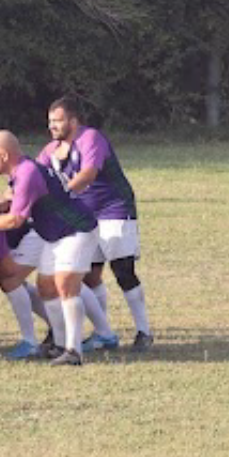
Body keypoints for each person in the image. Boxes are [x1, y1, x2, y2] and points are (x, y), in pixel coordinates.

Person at [43, 96, 154, 353]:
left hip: (114, 209)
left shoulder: (90, 138)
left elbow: (87, 175)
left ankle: (144, 331)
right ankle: (103, 333)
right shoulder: (51, 150)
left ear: (73, 120)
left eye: (57, 120)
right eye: (50, 121)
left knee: (123, 270)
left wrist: (59, 197)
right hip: (85, 216)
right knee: (87, 275)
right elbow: (35, 175)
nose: (52, 126)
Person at [0, 130, 99, 366]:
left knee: (65, 284)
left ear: (3, 154)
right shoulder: (23, 170)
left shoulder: (26, 172)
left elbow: (15, 220)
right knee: (46, 287)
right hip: (56, 235)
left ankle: (74, 351)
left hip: (76, 229)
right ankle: (60, 344)